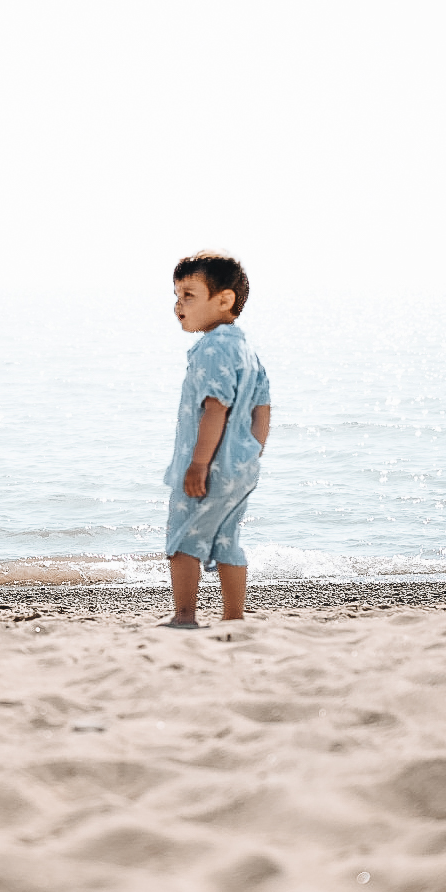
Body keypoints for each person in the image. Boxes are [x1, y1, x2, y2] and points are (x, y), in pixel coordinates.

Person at [161, 251, 271, 628]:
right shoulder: (248, 351)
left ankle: (185, 615)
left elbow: (215, 407)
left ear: (224, 299)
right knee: (227, 539)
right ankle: (233, 616)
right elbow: (262, 410)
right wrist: (252, 454)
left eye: (189, 295)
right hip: (242, 467)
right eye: (176, 296)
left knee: (184, 536)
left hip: (211, 465)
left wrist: (199, 463)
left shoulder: (212, 347)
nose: (178, 305)